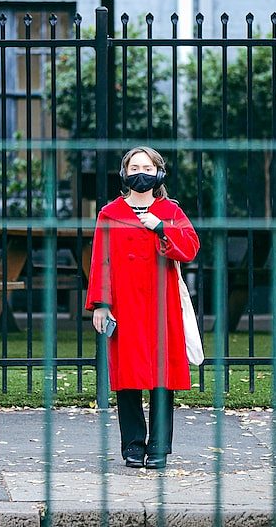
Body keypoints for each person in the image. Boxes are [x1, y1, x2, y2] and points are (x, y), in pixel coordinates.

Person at [85, 146, 200, 470]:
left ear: (159, 173)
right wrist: (101, 304)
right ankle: (133, 446)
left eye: (147, 168)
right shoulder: (109, 213)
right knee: (128, 377)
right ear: (124, 173)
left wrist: (160, 227)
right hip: (124, 304)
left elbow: (190, 248)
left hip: (162, 306)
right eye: (135, 167)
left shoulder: (171, 211)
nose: (141, 173)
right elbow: (101, 261)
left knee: (162, 377)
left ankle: (159, 447)